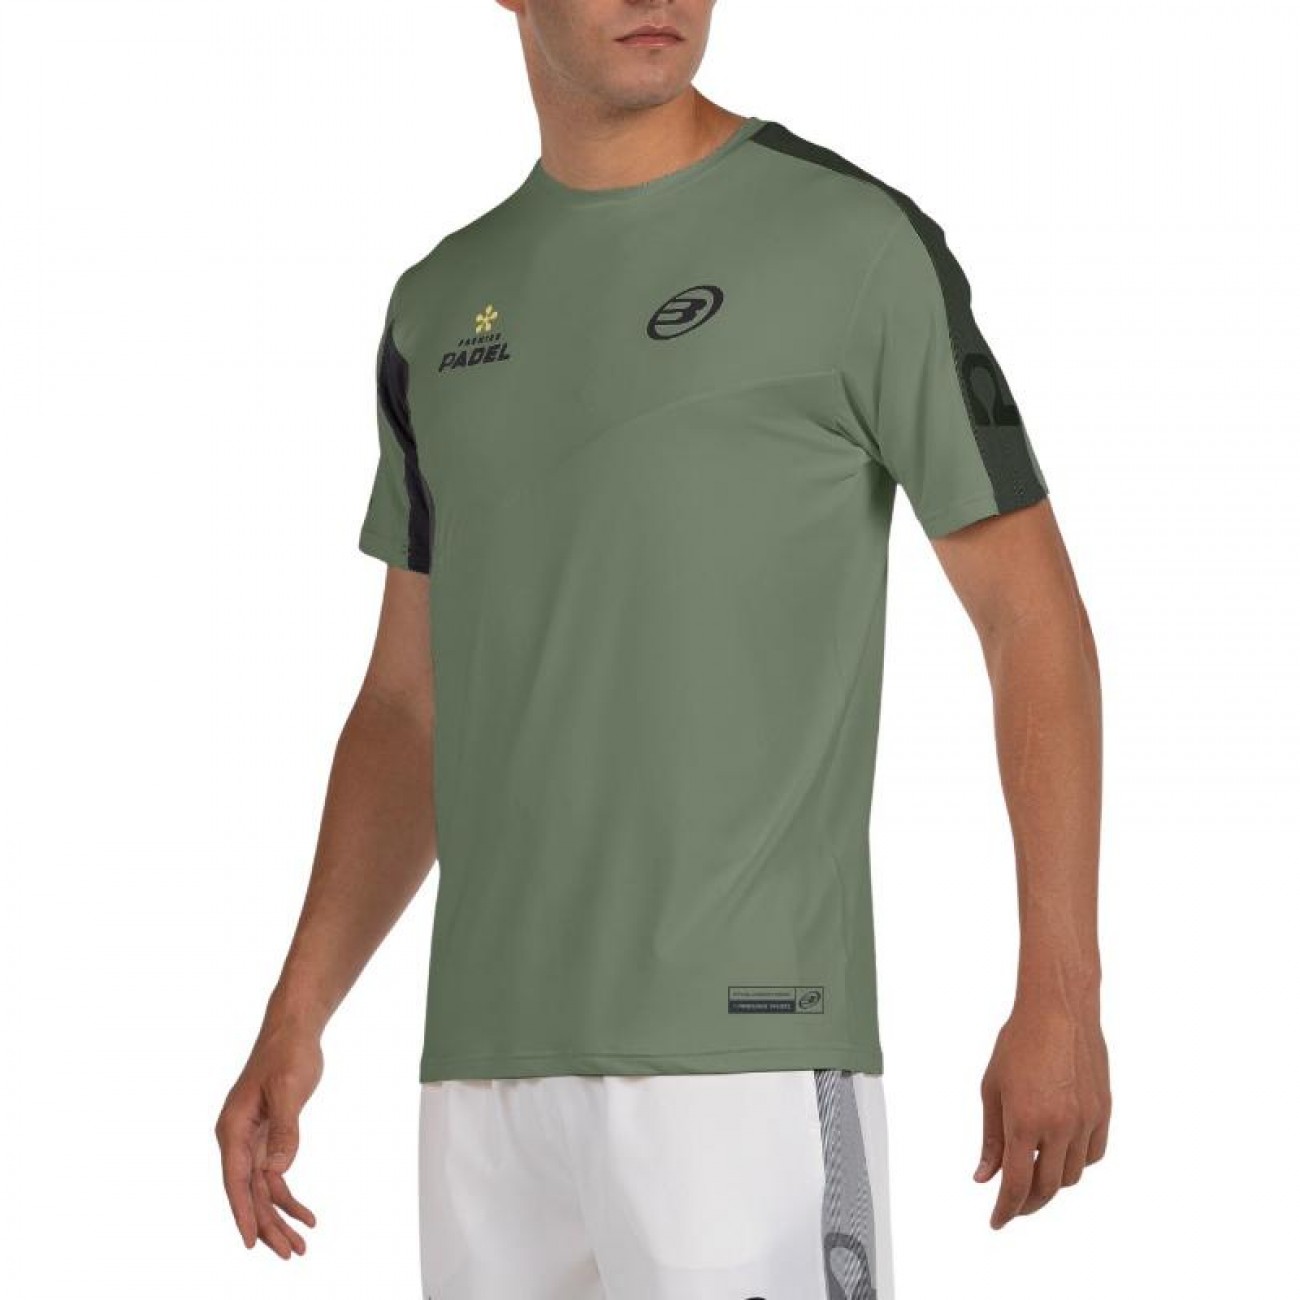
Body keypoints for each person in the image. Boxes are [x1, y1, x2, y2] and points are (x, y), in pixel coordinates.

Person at [214, 2, 1110, 1295]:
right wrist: (296, 1014)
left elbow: (1032, 620)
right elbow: (412, 705)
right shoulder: (439, 305)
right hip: (483, 1081)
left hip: (743, 1064)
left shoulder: (849, 242)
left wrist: (1062, 993)